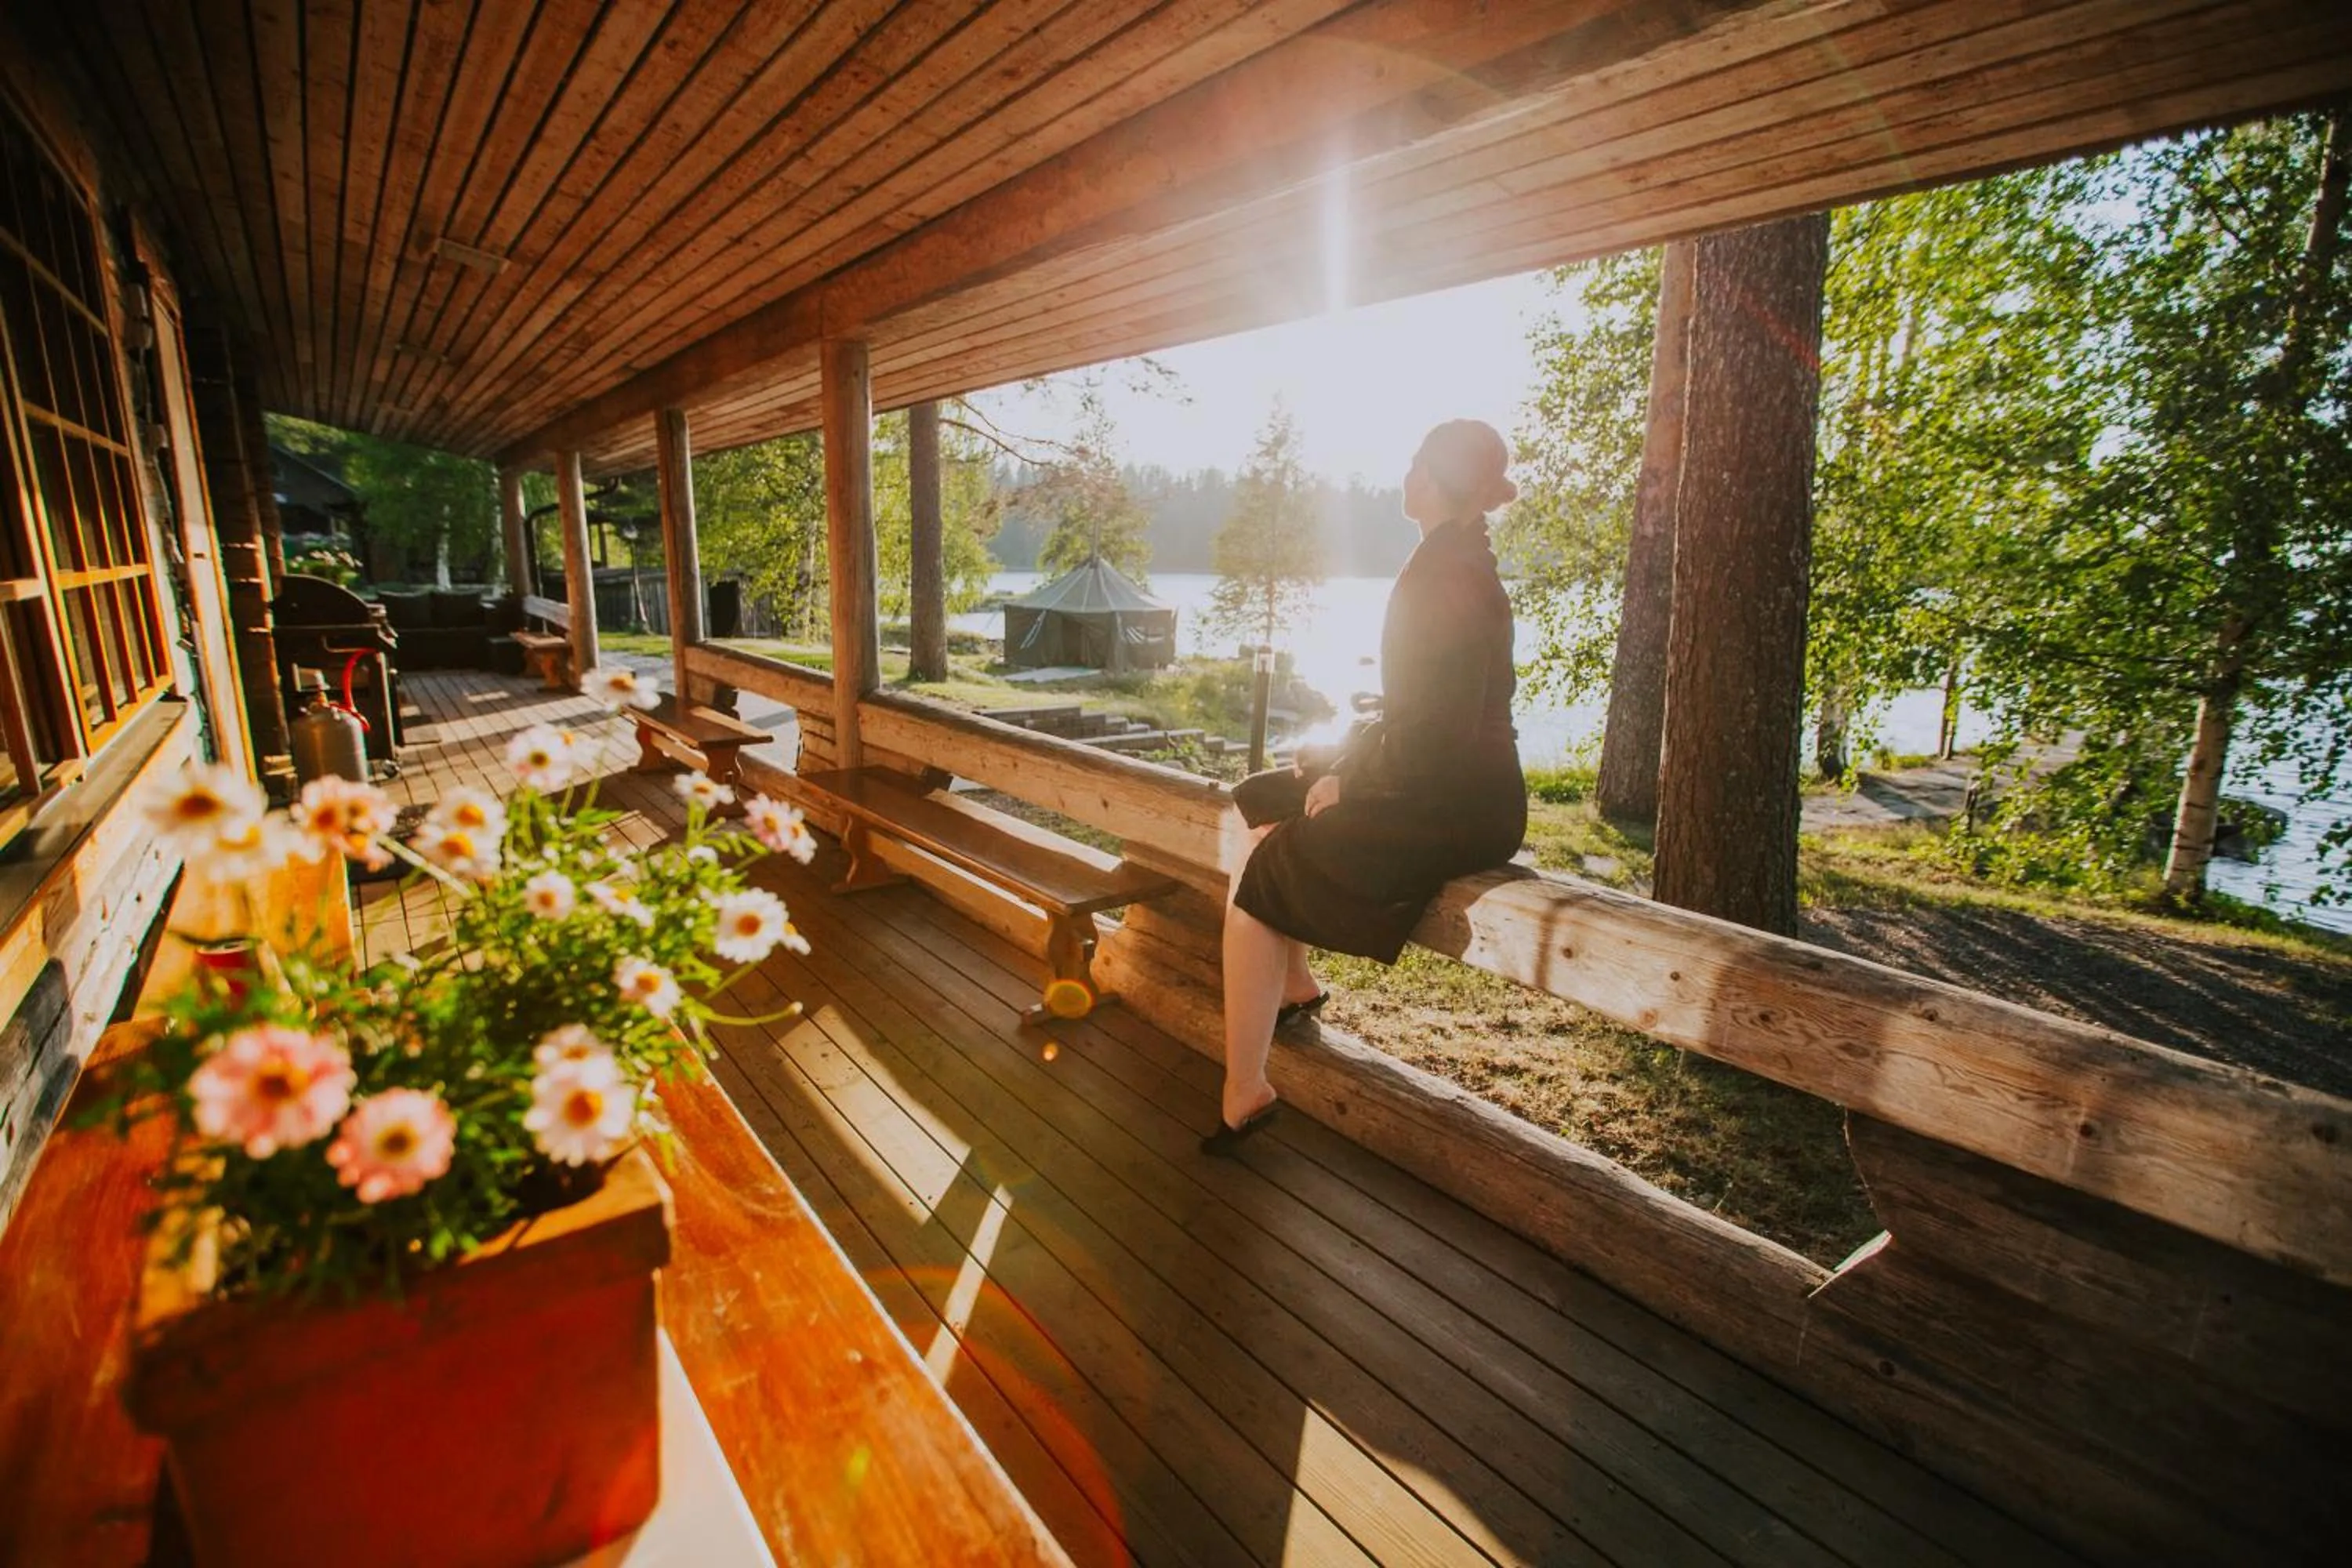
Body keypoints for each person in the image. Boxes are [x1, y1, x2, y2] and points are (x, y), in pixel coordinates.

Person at [1203, 419, 1527, 1154]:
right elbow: (1417, 716)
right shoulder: (1445, 557)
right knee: (1261, 797)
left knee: (1264, 877)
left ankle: (1245, 1088)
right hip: (1430, 774)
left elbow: (1439, 736)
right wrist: (1336, 763)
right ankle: (1293, 986)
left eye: (1419, 464)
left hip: (1459, 801)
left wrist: (1352, 784)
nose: (1406, 475)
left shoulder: (1450, 573)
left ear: (1445, 483)